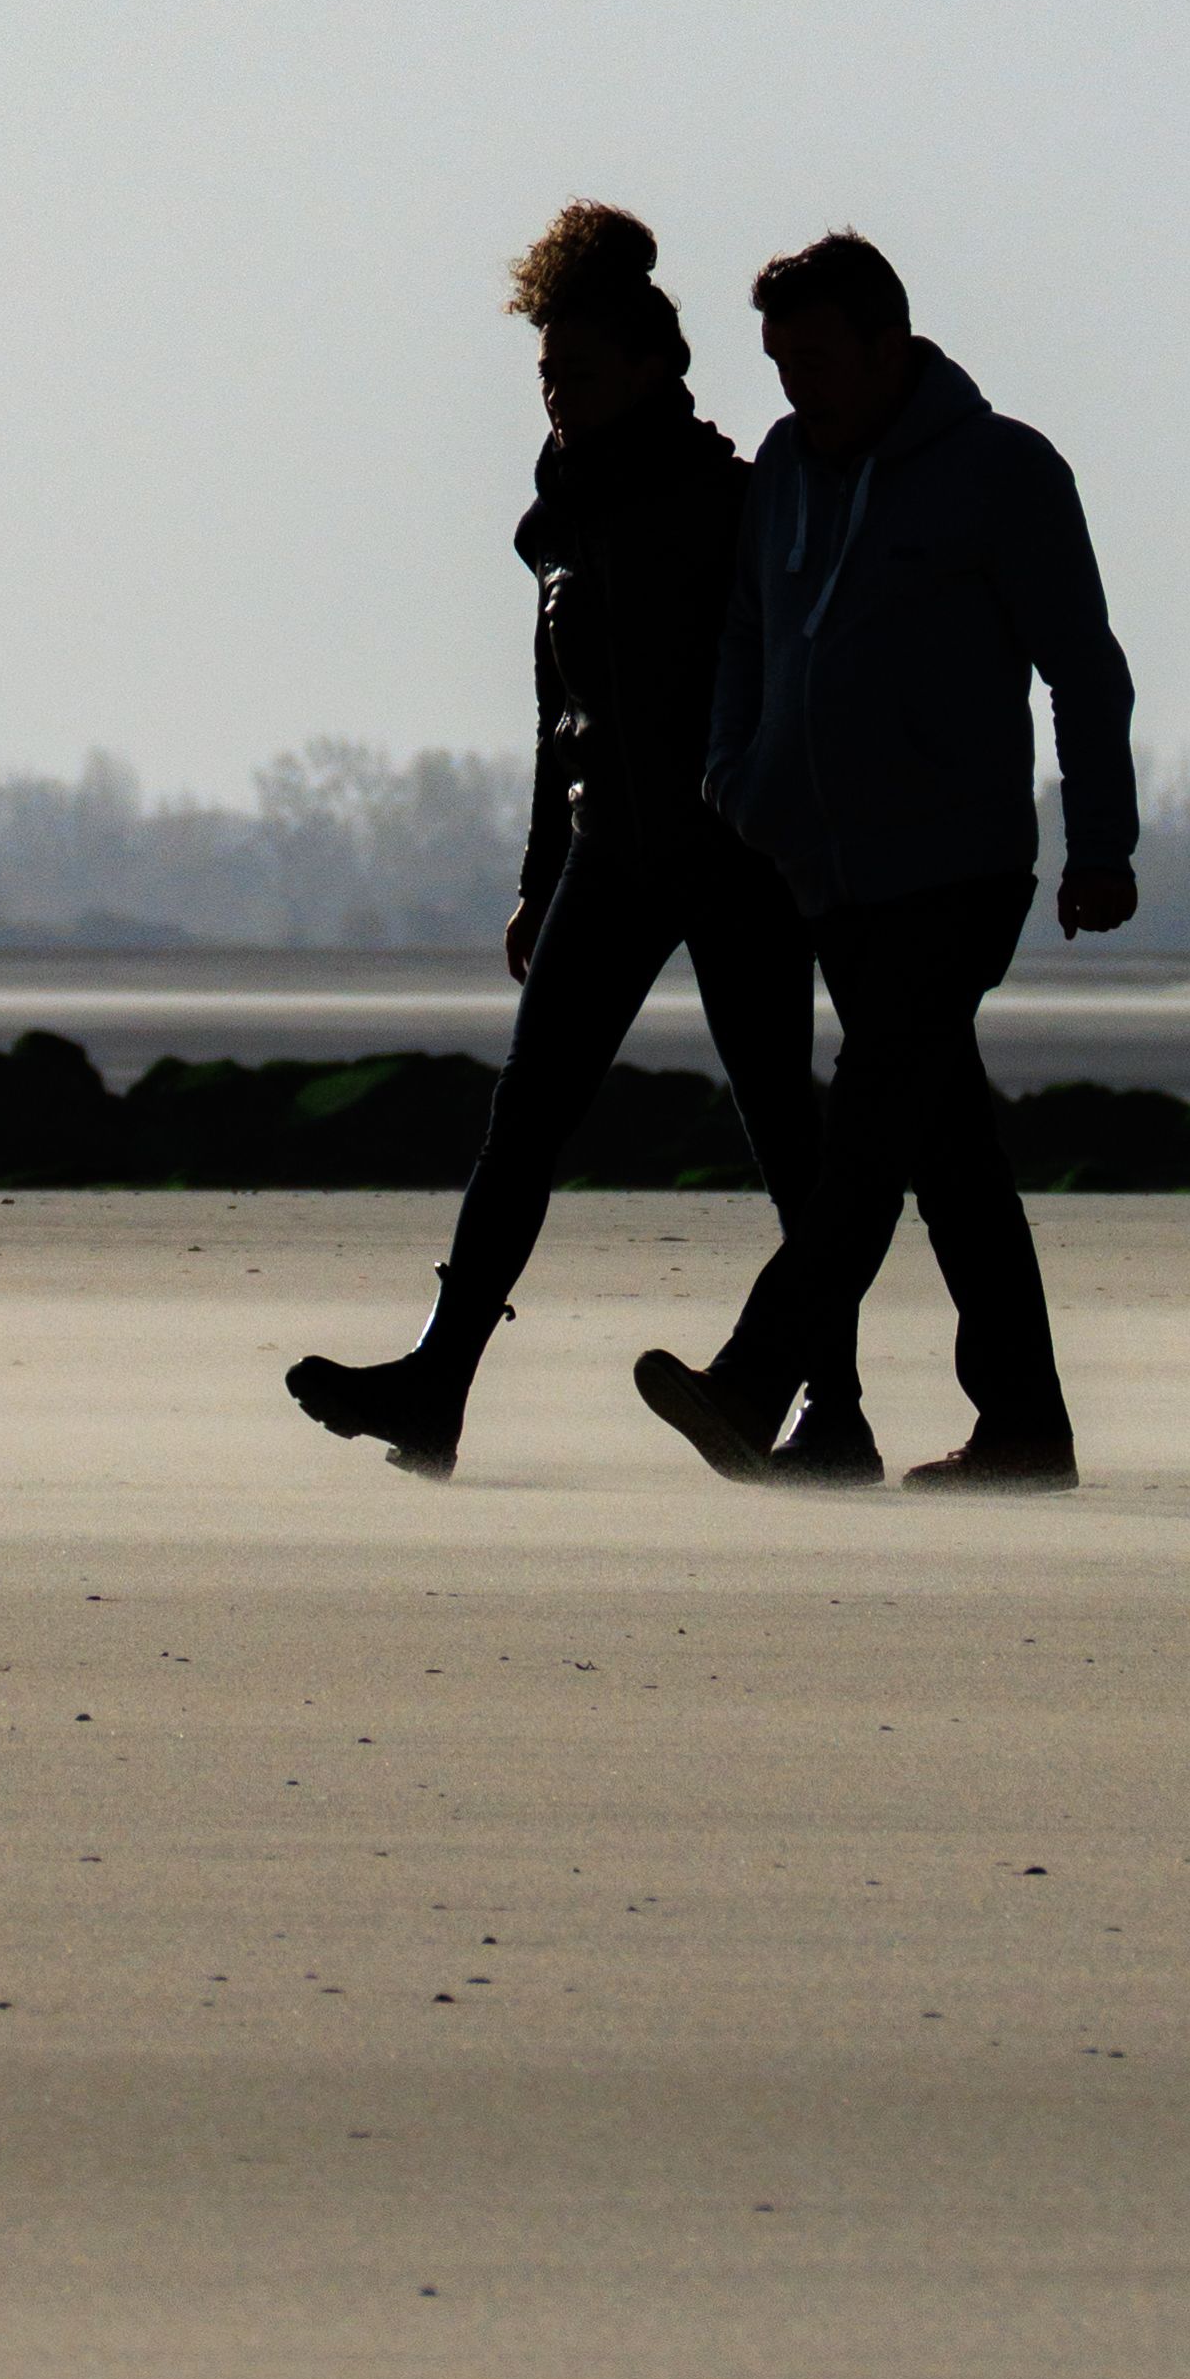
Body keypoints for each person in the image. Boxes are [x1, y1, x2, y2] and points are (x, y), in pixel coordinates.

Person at [286, 203, 817, 1477]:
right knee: (522, 1121)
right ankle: (436, 1384)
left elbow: (790, 684)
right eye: (544, 375)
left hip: (735, 858)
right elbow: (556, 715)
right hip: (608, 853)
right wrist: (536, 877)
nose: (555, 396)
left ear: (651, 369)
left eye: (576, 372)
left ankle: (832, 1409)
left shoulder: (731, 503)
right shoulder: (558, 522)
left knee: (787, 1136)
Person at [634, 229, 1136, 1496]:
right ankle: (1025, 1428)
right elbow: (746, 636)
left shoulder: (1002, 470)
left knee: (863, 1144)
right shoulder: (781, 473)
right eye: (777, 362)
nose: (794, 385)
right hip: (826, 873)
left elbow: (1084, 669)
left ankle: (752, 1379)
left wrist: (1102, 844)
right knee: (948, 1158)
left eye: (814, 359)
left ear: (888, 344)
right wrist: (734, 777)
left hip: (957, 869)